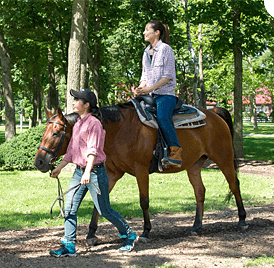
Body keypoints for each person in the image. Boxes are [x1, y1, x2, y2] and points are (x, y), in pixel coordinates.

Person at [49, 88, 137, 257]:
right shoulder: (78, 124)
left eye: (77, 100)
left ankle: (129, 235)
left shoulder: (94, 124)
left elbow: (93, 151)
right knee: (69, 209)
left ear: (86, 105)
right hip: (78, 172)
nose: (74, 102)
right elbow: (71, 151)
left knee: (104, 210)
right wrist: (59, 168)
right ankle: (69, 245)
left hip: (95, 173)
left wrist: (87, 172)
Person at [134, 20, 182, 167]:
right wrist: (141, 88)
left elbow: (168, 76)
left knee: (162, 118)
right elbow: (145, 76)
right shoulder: (145, 52)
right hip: (150, 95)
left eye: (147, 30)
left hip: (165, 95)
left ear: (157, 33)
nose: (144, 32)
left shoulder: (166, 49)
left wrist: (150, 88)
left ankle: (175, 151)